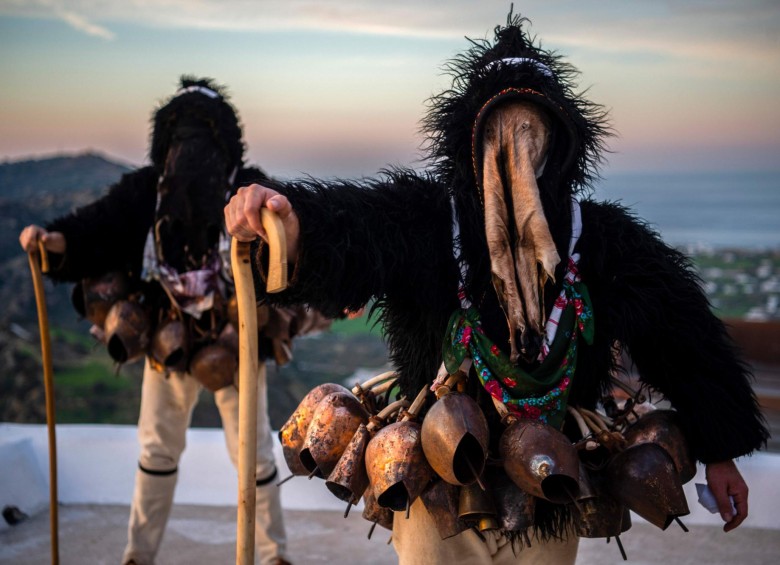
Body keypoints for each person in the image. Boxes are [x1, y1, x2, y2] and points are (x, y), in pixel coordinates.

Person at [225, 14, 769, 565]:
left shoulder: (601, 242)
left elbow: (682, 337)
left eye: (532, 135)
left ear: (561, 147)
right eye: (496, 138)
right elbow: (351, 229)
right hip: (432, 488)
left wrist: (720, 449)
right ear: (470, 144)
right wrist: (282, 222)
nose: (515, 157)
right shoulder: (427, 224)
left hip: (552, 485)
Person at [18, 77, 324, 565]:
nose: (192, 146)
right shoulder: (146, 190)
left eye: (201, 132)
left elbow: (294, 234)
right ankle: (137, 555)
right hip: (165, 338)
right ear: (167, 142)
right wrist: (55, 243)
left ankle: (272, 556)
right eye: (183, 135)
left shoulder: (246, 188)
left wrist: (333, 275)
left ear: (223, 141)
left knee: (254, 456)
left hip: (238, 336)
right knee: (157, 453)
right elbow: (99, 226)